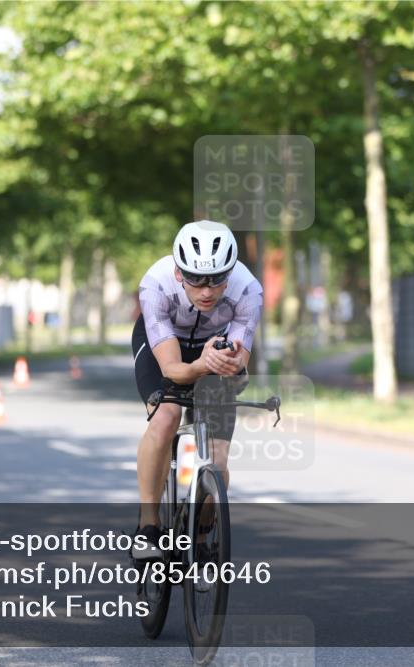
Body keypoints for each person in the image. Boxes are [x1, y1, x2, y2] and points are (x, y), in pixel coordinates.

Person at [130, 220, 262, 560]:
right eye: (196, 280)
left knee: (217, 458)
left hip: (213, 352)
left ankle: (201, 535)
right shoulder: (155, 285)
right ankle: (148, 527)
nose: (207, 291)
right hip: (165, 348)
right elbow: (173, 370)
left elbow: (238, 362)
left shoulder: (248, 291)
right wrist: (202, 366)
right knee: (166, 416)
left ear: (229, 274)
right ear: (178, 273)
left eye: (217, 279)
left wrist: (230, 365)